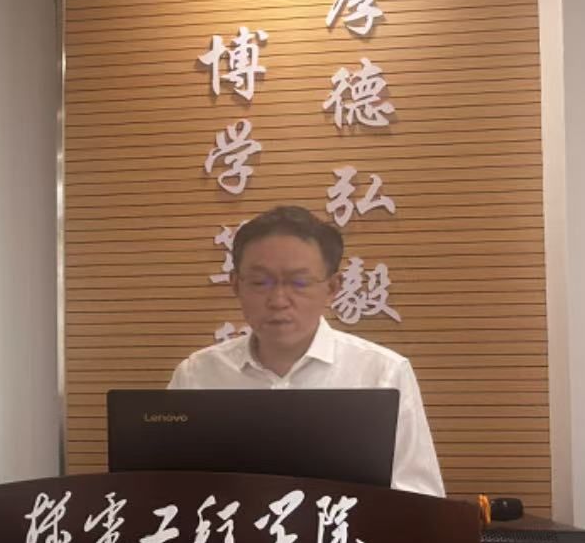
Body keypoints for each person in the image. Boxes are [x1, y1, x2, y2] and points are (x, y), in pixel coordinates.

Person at [168, 204, 444, 497]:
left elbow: (421, 497)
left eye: (299, 282)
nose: (278, 300)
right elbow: (165, 487)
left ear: (333, 287)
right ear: (236, 285)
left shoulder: (382, 373)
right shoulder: (197, 374)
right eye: (260, 282)